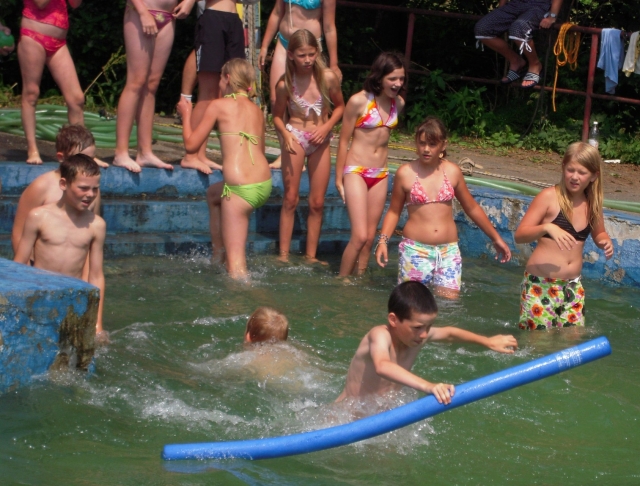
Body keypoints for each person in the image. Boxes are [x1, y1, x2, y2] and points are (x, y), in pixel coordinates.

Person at [375, 117, 511, 299]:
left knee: (449, 304)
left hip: (448, 252)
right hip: (415, 250)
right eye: (422, 143)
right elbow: (394, 211)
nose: (426, 149)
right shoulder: (405, 173)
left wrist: (495, 238)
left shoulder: (452, 171)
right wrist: (383, 241)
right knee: (413, 303)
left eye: (432, 144)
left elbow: (472, 208)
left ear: (443, 145)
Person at [336, 281, 518, 402]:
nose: (424, 335)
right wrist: (428, 386)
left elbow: (449, 334)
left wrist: (487, 342)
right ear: (393, 320)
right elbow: (382, 366)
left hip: (382, 413)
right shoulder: (379, 335)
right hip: (347, 416)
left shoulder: (417, 337)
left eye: (429, 327)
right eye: (417, 327)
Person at [177, 58, 272, 280]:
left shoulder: (218, 105)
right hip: (264, 184)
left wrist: (186, 114)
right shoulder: (257, 111)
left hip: (239, 189)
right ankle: (217, 254)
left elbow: (191, 145)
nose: (219, 83)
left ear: (227, 78)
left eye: (220, 78)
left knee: (236, 269)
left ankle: (249, 296)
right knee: (213, 194)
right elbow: (260, 149)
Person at [514, 142, 613, 330]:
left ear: (594, 176)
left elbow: (599, 232)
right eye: (570, 170)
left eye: (582, 172)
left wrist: (604, 241)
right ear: (563, 168)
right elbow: (520, 235)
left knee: (572, 340)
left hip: (573, 286)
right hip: (540, 284)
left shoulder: (592, 204)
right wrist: (547, 227)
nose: (575, 177)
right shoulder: (549, 197)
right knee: (539, 342)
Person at [13, 154, 107, 340]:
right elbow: (19, 264)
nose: (90, 194)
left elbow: (96, 276)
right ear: (63, 184)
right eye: (83, 188)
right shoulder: (39, 217)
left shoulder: (96, 225)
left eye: (95, 189)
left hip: (72, 300)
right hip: (39, 296)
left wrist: (97, 324)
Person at [273, 29, 344, 264]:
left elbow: (340, 107)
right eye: (302, 55)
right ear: (291, 55)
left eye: (311, 54)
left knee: (317, 202)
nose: (307, 60)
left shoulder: (327, 78)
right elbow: (276, 116)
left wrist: (327, 127)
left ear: (317, 53)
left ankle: (310, 256)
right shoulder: (285, 84)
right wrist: (285, 134)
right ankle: (283, 255)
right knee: (290, 198)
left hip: (320, 139)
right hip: (296, 136)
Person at [335, 53, 406, 277]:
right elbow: (343, 141)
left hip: (380, 173)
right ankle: (342, 281)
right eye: (392, 79)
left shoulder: (398, 103)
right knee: (359, 236)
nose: (397, 84)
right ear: (379, 77)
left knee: (369, 239)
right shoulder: (359, 101)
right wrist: (338, 179)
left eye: (401, 79)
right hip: (356, 170)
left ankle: (359, 280)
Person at [113, 0, 194, 173]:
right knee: (136, 82)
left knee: (152, 84)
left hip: (168, 16)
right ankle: (121, 152)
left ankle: (145, 152)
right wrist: (142, 11)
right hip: (142, 11)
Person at [259, 0, 340, 170]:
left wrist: (334, 63)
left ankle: (314, 145)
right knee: (275, 99)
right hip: (285, 42)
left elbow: (329, 27)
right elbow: (276, 13)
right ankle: (286, 149)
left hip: (309, 47)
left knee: (315, 102)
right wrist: (265, 46)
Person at [11, 124, 100, 258]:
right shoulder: (41, 187)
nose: (86, 165)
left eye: (91, 159)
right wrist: (27, 268)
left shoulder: (91, 191)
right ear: (61, 157)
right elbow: (18, 233)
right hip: (39, 265)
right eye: (79, 159)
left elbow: (93, 234)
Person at [180, 0, 246, 172]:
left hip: (234, 19)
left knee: (232, 91)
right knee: (208, 93)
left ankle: (201, 155)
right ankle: (191, 155)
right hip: (213, 19)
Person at [18, 0, 86, 165]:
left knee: (76, 99)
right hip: (33, 35)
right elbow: (40, 3)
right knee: (31, 93)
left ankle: (80, 152)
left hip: (59, 42)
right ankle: (32, 149)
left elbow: (75, 4)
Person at [474, 0, 563, 88]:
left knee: (518, 29)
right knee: (482, 29)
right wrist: (501, 9)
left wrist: (552, 16)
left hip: (539, 5)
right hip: (515, 4)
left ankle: (535, 64)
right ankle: (515, 60)